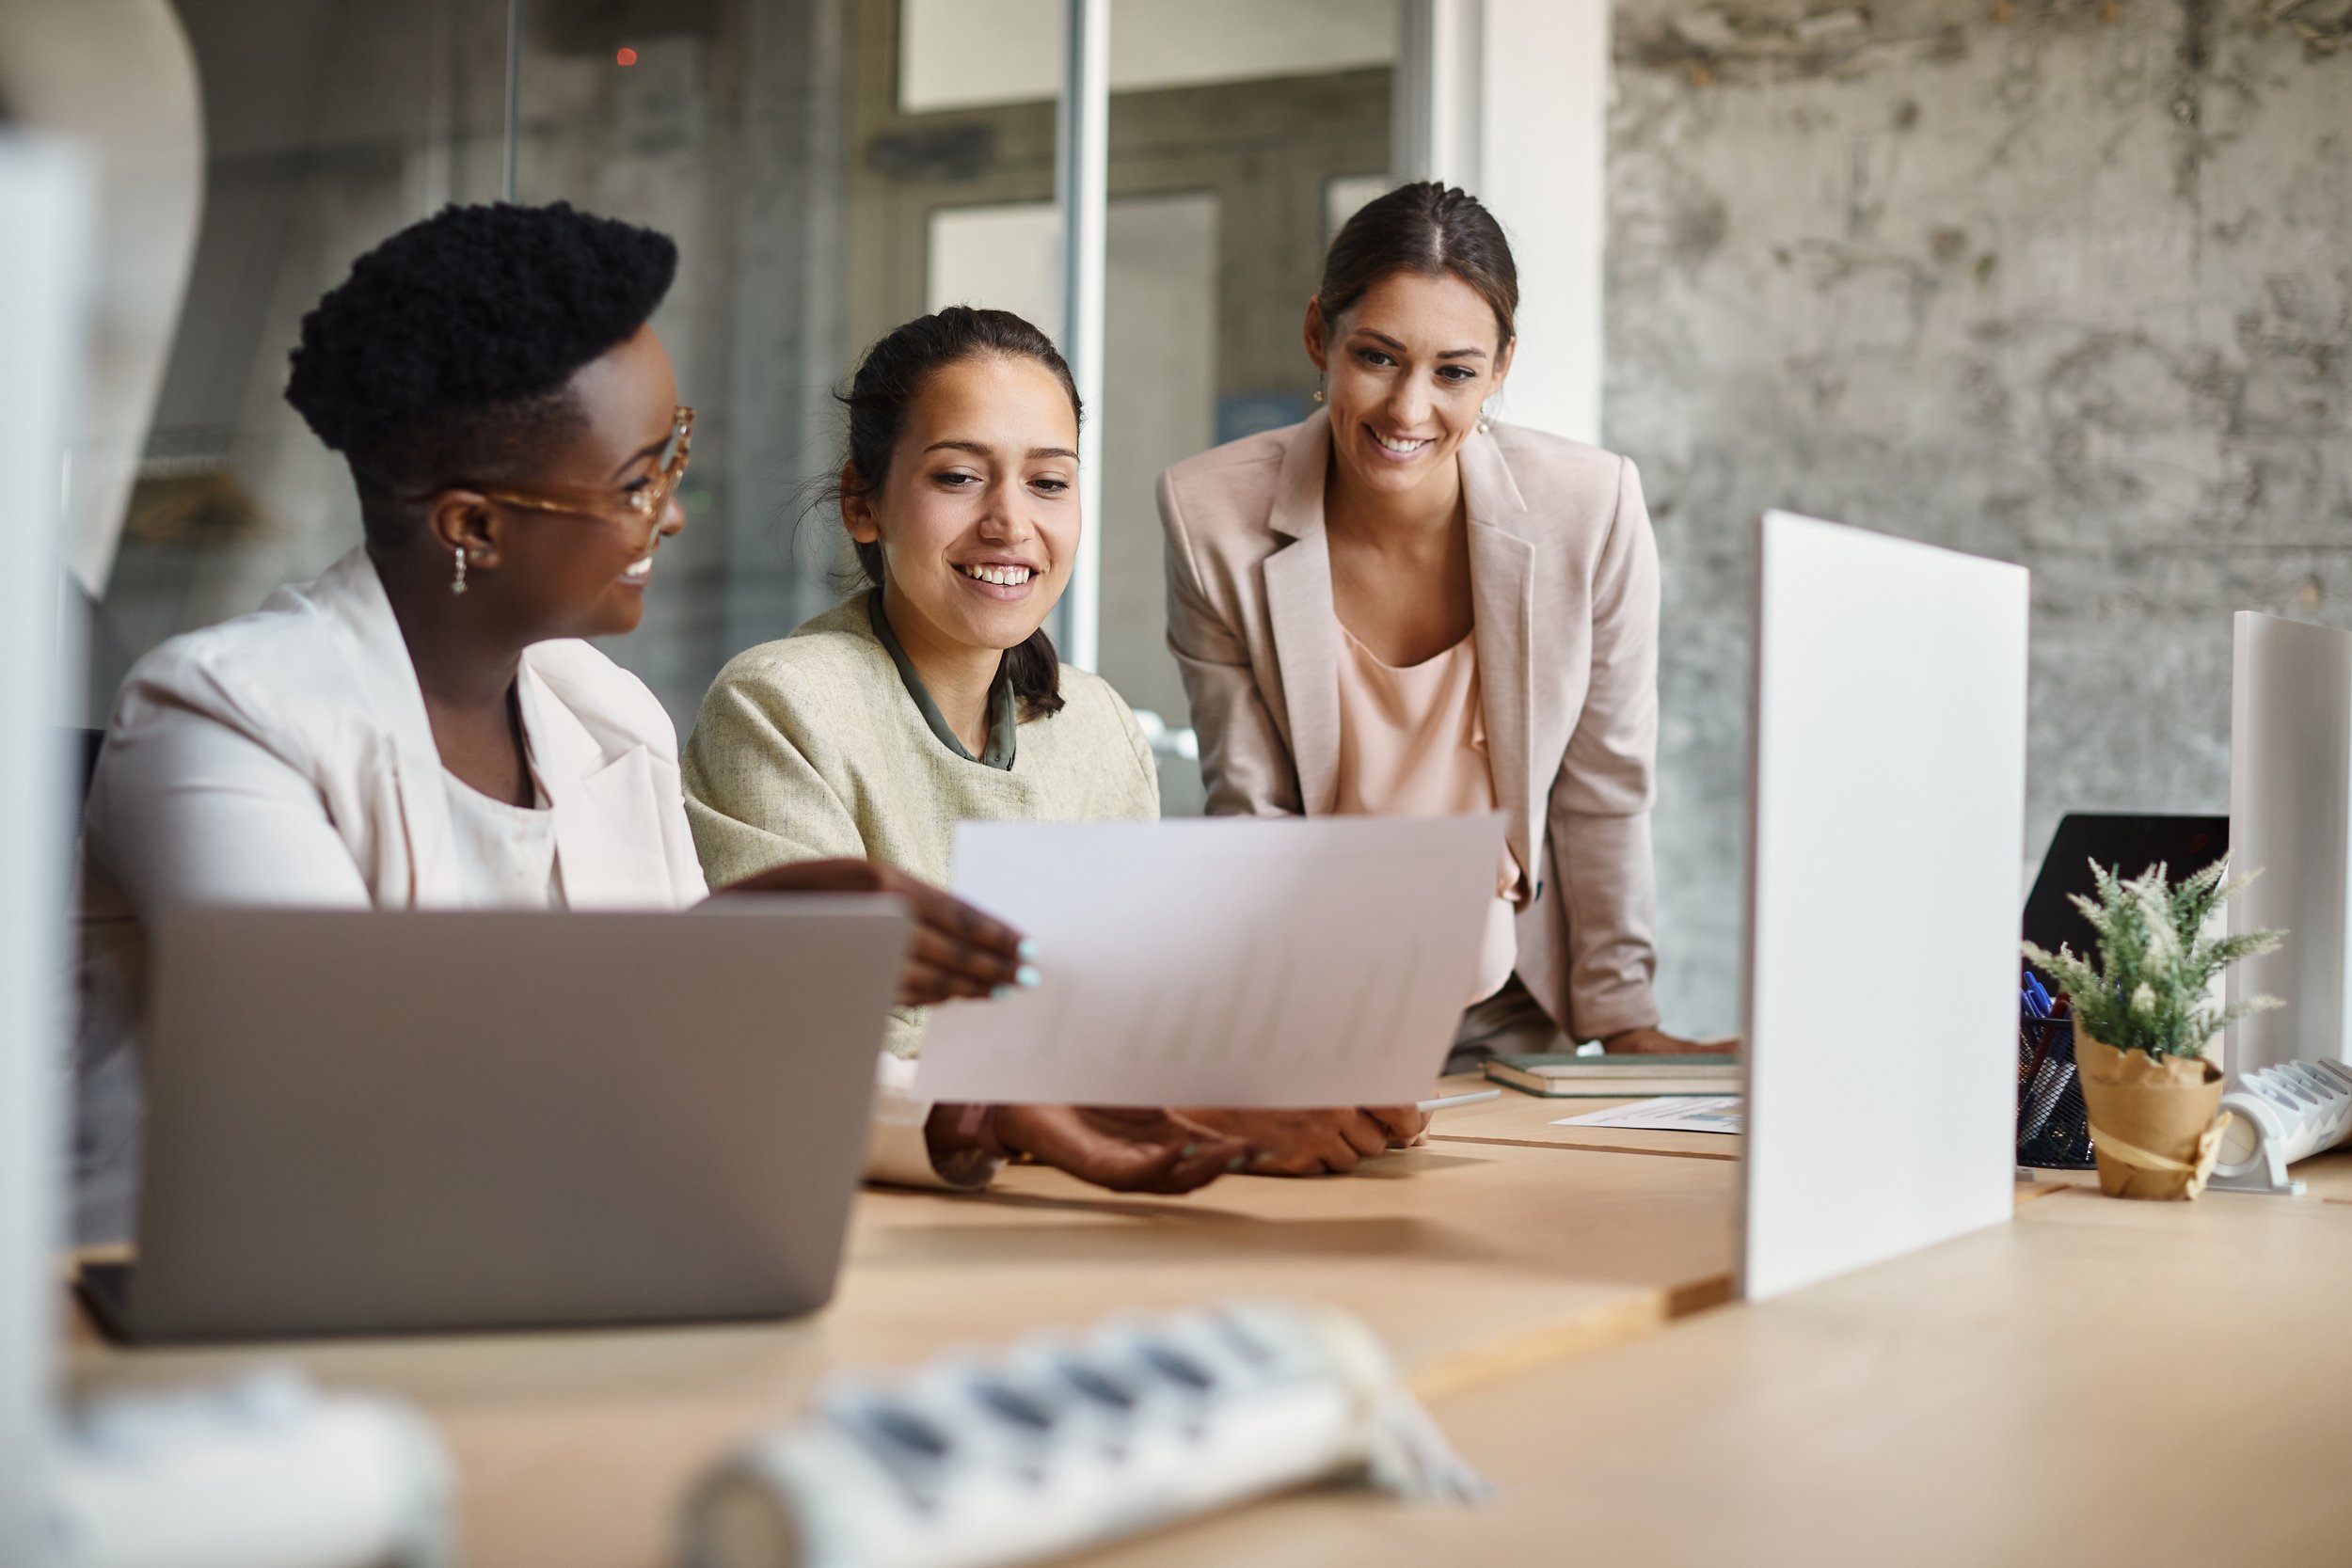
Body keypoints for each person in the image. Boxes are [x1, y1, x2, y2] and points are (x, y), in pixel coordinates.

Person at [72, 204, 1239, 1244]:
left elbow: (710, 1077)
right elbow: (355, 1080)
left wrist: (977, 1113)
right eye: (638, 479)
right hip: (253, 1327)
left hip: (565, 1266)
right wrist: (710, 944)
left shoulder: (605, 718)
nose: (674, 514)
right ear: (473, 523)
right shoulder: (221, 719)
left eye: (671, 455)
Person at [684, 307, 1421, 1177]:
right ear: (863, 502)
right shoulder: (781, 704)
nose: (1009, 522)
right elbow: (817, 1045)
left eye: (1048, 482)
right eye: (958, 477)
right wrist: (1155, 1097)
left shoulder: (1098, 725)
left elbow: (1131, 1018)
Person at [1157, 181, 1721, 1070]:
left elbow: (1605, 782)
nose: (1408, 410)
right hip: (1317, 996)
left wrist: (1623, 1017)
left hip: (1511, 1001)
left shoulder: (1590, 507)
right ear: (1320, 337)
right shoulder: (1212, 512)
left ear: (1500, 370)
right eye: (1378, 357)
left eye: (1454, 371)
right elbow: (1250, 805)